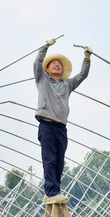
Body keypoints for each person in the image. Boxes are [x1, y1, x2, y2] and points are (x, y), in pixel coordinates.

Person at [34, 37, 91, 202]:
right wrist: (45, 47)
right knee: (49, 159)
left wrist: (87, 58)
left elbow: (82, 75)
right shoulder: (43, 80)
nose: (57, 65)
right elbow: (37, 63)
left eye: (59, 64)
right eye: (53, 64)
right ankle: (51, 191)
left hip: (61, 127)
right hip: (47, 124)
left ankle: (55, 189)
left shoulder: (67, 84)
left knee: (59, 160)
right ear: (47, 69)